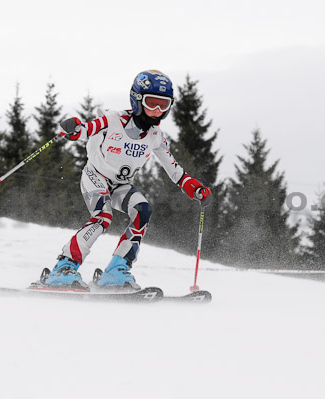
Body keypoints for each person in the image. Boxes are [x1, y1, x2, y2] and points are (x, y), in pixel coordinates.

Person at [43, 70, 211, 290]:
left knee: (143, 211)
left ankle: (116, 269)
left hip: (120, 186)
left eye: (163, 105)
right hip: (96, 177)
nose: (157, 111)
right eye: (151, 103)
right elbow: (86, 129)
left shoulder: (156, 136)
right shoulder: (113, 120)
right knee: (103, 216)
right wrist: (75, 128)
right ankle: (64, 266)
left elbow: (175, 170)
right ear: (136, 99)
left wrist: (194, 188)